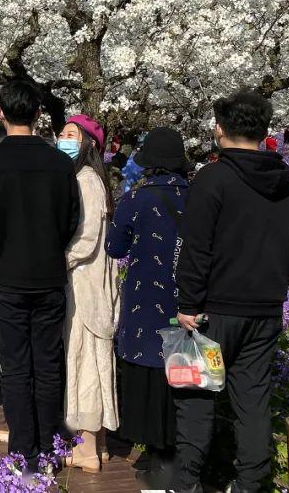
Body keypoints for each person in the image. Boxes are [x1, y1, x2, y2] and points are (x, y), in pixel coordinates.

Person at [173, 90, 289, 493]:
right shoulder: (288, 188)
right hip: (264, 310)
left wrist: (188, 302)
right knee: (253, 401)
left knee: (196, 397)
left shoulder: (213, 178)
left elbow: (196, 248)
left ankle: (188, 482)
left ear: (219, 129)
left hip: (213, 310)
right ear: (265, 131)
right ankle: (250, 483)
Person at [0, 81, 81, 476]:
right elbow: (71, 220)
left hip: (6, 279)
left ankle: (24, 455)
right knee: (48, 366)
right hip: (49, 277)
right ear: (38, 113)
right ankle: (49, 450)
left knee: (16, 368)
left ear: (1, 112)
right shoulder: (60, 163)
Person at [106, 126, 191, 488]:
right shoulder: (199, 195)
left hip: (145, 303)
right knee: (182, 376)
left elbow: (115, 247)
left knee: (147, 371)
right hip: (188, 299)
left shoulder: (136, 198)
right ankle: (172, 460)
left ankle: (155, 458)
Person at [57, 114, 119, 474]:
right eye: (62, 133)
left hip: (86, 286)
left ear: (90, 144)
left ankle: (86, 449)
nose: (63, 139)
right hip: (91, 284)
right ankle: (98, 445)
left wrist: (57, 260)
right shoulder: (92, 179)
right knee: (91, 359)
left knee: (86, 361)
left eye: (71, 134)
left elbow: (84, 240)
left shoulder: (86, 180)